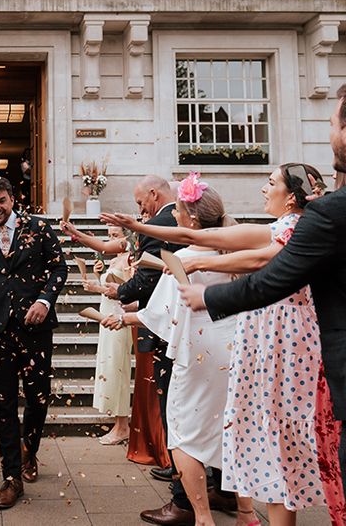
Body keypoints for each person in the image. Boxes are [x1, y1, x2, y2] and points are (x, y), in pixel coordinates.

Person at [108, 163, 339, 525]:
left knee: (278, 440)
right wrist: (139, 227)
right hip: (259, 343)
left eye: (270, 182)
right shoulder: (280, 226)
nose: (264, 189)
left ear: (292, 196)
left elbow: (259, 258)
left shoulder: (297, 230)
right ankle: (250, 510)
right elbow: (208, 238)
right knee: (269, 441)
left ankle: (213, 514)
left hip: (283, 346)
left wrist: (202, 275)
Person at [103, 178, 255, 526]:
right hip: (231, 348)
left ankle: (199, 515)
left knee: (183, 433)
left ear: (188, 219)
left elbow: (160, 313)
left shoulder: (184, 258)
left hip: (194, 351)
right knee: (229, 427)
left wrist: (123, 318)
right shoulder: (231, 253)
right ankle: (246, 512)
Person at [0, 177, 67, 509]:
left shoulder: (38, 227)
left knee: (38, 399)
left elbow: (59, 269)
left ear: (12, 199)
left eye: (1, 201)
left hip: (35, 330)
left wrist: (45, 301)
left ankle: (30, 449)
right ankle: (11, 478)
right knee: (4, 405)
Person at [60, 221, 132, 445]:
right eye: (109, 235)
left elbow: (129, 292)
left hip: (120, 318)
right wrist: (95, 276)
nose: (111, 240)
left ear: (125, 237)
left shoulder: (130, 260)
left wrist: (98, 288)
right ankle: (118, 423)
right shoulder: (113, 259)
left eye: (115, 235)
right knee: (108, 367)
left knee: (118, 369)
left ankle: (123, 426)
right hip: (106, 316)